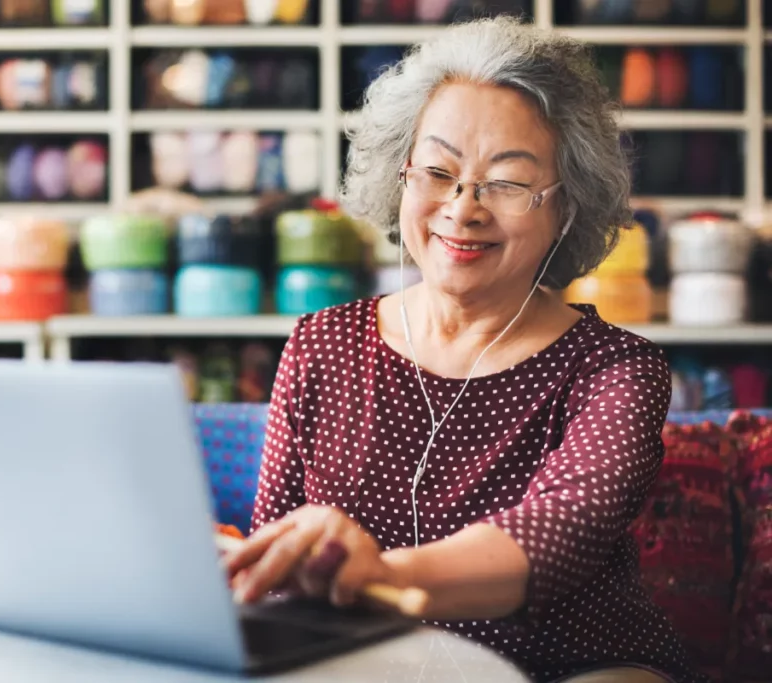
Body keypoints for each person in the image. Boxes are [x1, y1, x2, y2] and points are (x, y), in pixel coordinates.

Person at [221, 15, 707, 683]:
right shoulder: (321, 342)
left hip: (568, 665)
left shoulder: (616, 369)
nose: (462, 206)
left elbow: (556, 533)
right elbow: (277, 555)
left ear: (565, 206)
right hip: (372, 665)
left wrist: (383, 573)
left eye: (506, 182)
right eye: (438, 170)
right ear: (401, 175)